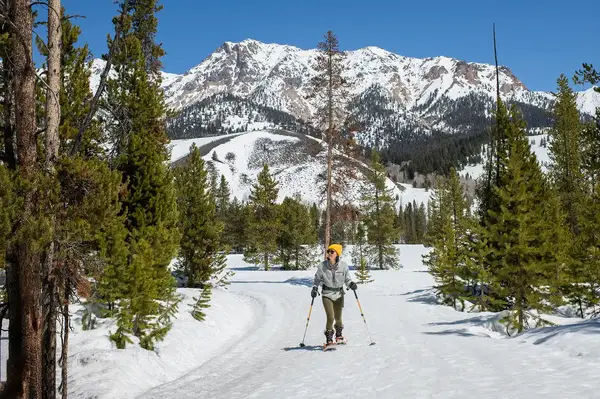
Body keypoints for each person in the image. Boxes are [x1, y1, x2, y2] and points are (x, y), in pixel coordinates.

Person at [311, 243, 357, 347]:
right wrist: (314, 288)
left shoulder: (344, 266)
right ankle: (329, 339)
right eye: (328, 251)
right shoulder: (322, 266)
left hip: (339, 294)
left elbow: (347, 279)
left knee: (338, 317)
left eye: (332, 252)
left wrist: (351, 284)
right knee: (330, 317)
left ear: (337, 254)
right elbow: (317, 279)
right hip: (327, 294)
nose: (329, 253)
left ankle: (339, 336)